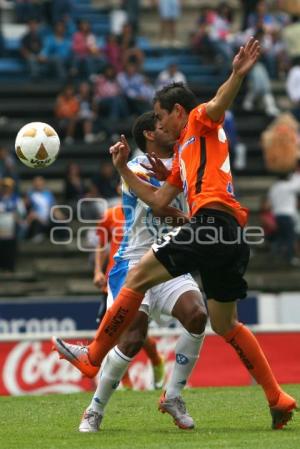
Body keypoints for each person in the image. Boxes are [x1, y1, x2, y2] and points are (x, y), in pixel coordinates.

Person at [52, 38, 297, 429]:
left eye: (160, 115)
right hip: (230, 235)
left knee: (139, 278)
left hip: (211, 224)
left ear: (178, 112)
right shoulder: (183, 155)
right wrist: (123, 170)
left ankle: (93, 356)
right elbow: (158, 199)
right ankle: (277, 397)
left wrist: (236, 73)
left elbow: (217, 103)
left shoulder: (200, 119)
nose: (158, 122)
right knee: (225, 324)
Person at [75, 111, 206, 431]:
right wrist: (194, 223)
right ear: (149, 134)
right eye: (162, 126)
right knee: (134, 337)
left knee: (198, 315)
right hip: (133, 262)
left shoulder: (182, 164)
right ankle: (95, 409)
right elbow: (160, 207)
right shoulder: (133, 168)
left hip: (171, 258)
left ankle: (173, 395)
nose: (171, 129)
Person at [93, 200, 165, 390]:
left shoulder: (150, 211)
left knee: (136, 334)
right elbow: (102, 244)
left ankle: (155, 357)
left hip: (140, 279)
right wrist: (97, 272)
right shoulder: (110, 215)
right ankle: (127, 383)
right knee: (115, 332)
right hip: (114, 282)